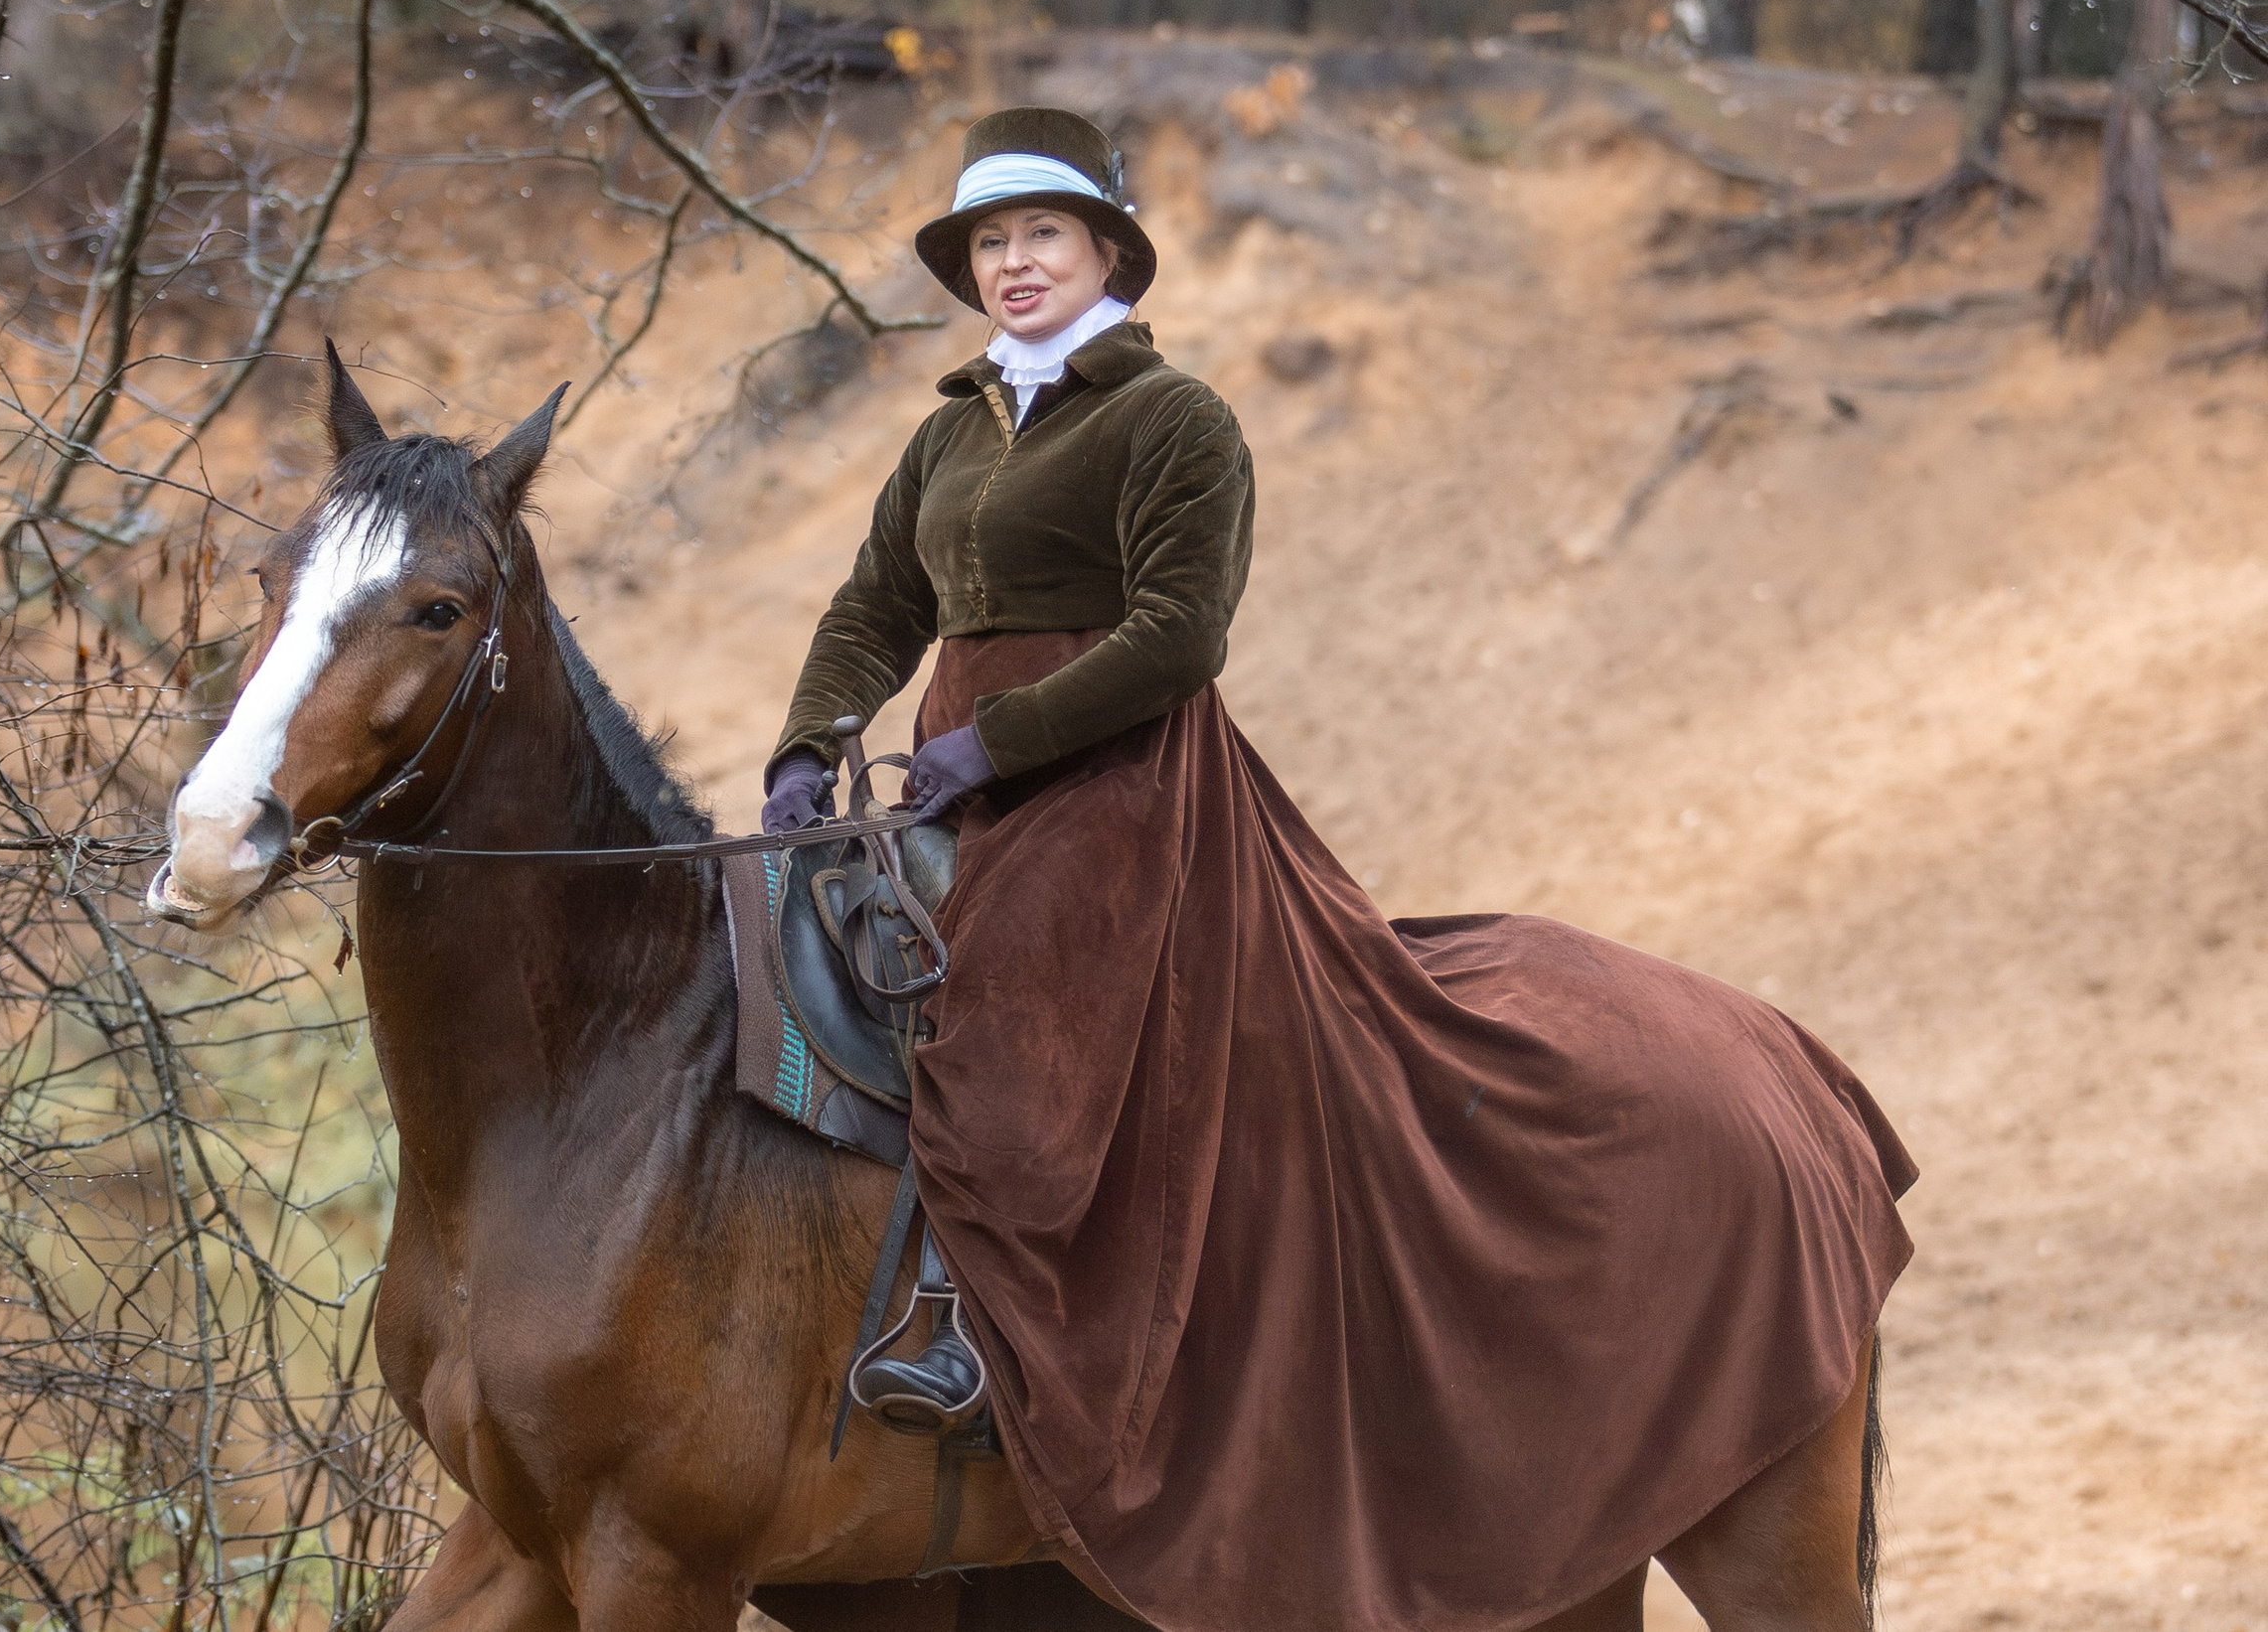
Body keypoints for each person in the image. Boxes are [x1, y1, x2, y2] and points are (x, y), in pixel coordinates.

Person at [761, 108, 1916, 1632]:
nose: (1014, 263)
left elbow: (1180, 635)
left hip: (1121, 792)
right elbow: (875, 604)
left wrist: (1010, 740)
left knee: (1019, 1026)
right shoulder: (950, 431)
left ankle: (975, 1352)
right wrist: (807, 742)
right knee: (804, 963)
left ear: (1106, 250)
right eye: (990, 242)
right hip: (955, 781)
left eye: (1042, 233)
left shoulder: (1175, 420)